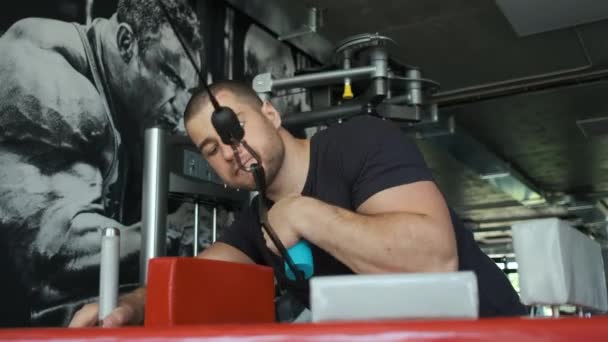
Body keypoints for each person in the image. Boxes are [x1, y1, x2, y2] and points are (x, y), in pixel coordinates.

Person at [69, 80, 526, 327]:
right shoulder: (256, 225)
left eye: (233, 128)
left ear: (270, 114)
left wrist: (303, 212)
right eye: (210, 149)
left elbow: (434, 258)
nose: (229, 151)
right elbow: (194, 281)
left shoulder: (360, 141)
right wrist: (129, 308)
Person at [0, 0, 203, 326]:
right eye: (170, 75)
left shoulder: (120, 105)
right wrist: (186, 244)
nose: (181, 107)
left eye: (187, 87)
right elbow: (59, 249)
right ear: (126, 43)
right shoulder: (51, 76)